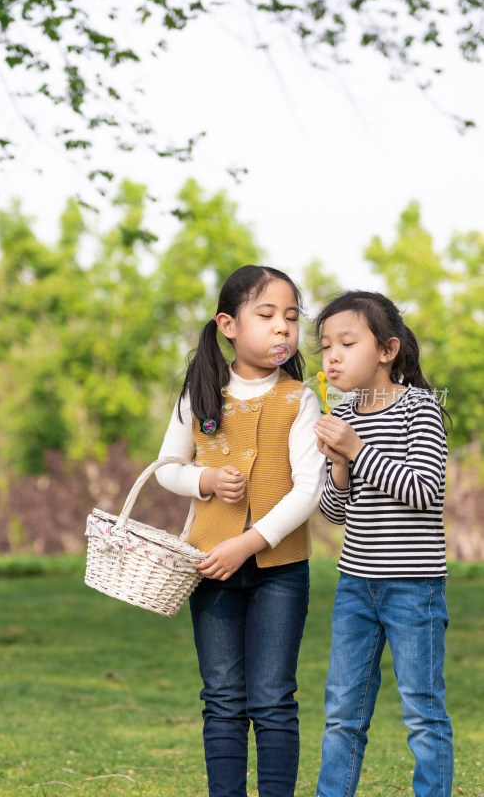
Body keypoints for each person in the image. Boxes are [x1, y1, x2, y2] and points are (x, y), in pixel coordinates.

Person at [156, 265, 326, 797]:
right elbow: (166, 467)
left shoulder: (300, 398)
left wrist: (248, 544)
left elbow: (308, 491)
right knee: (223, 696)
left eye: (292, 318)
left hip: (280, 571)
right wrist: (203, 478)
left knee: (273, 697)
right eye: (267, 315)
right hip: (208, 566)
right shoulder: (201, 394)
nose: (283, 328)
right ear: (228, 324)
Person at [312, 290, 453, 797]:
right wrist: (339, 464)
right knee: (342, 714)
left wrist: (357, 449)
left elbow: (423, 491)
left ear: (387, 350)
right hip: (355, 586)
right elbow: (334, 513)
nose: (332, 356)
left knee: (422, 712)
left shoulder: (421, 409)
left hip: (414, 588)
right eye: (325, 345)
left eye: (347, 343)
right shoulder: (344, 415)